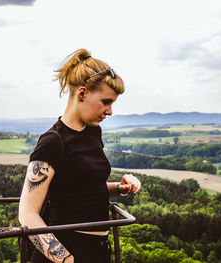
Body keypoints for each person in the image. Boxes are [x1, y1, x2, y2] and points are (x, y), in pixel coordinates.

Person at [19, 49, 141, 263]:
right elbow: (27, 214)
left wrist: (118, 188)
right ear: (82, 93)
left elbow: (80, 190)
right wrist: (66, 260)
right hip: (66, 251)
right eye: (105, 101)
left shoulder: (93, 133)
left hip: (99, 250)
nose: (110, 111)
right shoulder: (53, 141)